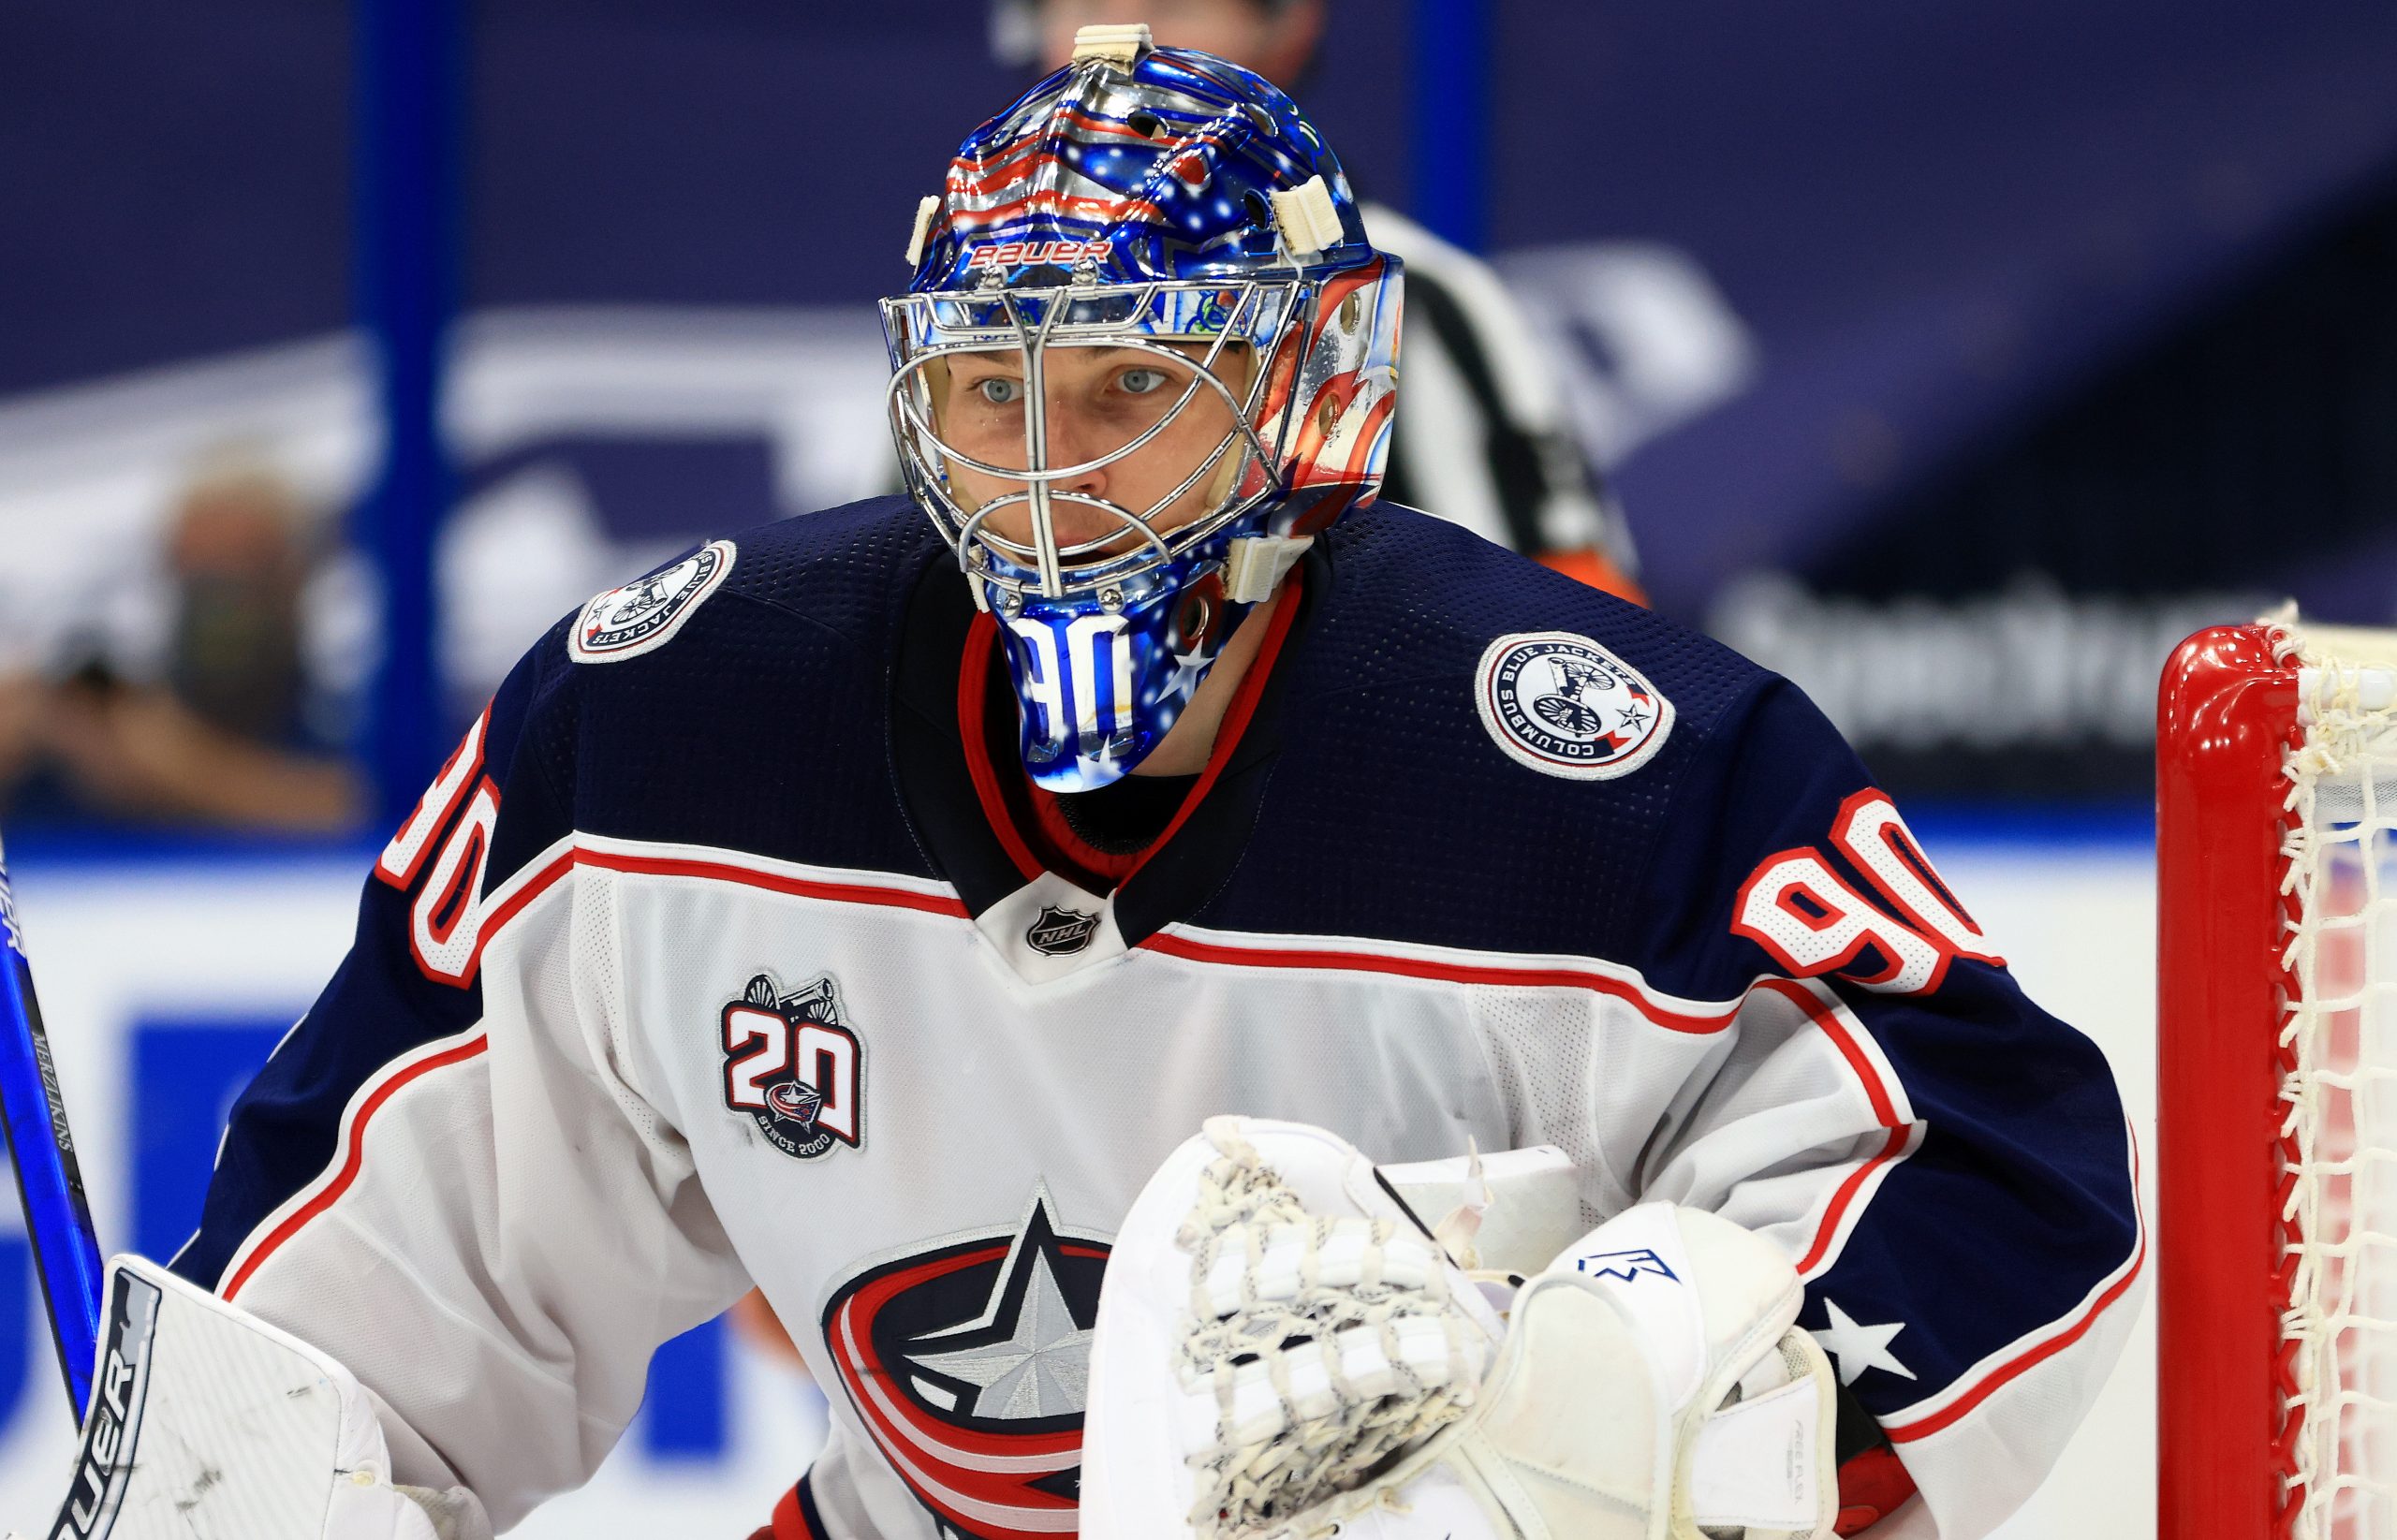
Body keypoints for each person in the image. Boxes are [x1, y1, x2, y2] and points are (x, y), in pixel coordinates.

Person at [156, 31, 2134, 1540]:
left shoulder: (1590, 762)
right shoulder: (664, 729)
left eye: (1131, 388)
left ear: (1304, 388)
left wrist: (1598, 1404)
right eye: (990, 389)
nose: (1043, 475)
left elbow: (1997, 1171)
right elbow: (357, 1331)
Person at [1011, 0, 1645, 603]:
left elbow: (1574, 624)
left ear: (1288, 27)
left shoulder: (1414, 294)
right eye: (1083, 4)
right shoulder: (951, 296)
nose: (1122, 43)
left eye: (1177, 4)